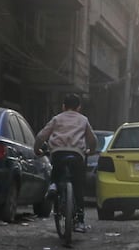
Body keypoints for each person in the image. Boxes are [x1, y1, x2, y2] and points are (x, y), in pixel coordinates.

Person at [35, 93, 99, 232]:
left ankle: (53, 186)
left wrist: (37, 149)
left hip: (58, 152)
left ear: (63, 106)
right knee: (78, 187)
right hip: (77, 154)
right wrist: (91, 150)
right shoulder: (83, 120)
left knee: (56, 170)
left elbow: (41, 136)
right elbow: (92, 139)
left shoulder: (57, 119)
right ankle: (80, 221)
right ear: (79, 107)